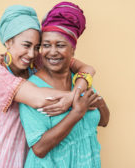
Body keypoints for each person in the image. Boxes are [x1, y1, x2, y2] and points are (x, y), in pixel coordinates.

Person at [0, 5, 97, 168]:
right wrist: (77, 99)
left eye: (37, 47)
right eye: (26, 45)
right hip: (7, 155)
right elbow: (39, 99)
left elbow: (87, 69)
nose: (31, 54)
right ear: (8, 41)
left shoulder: (36, 61)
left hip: (36, 159)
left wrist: (76, 92)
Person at [19, 2, 110, 167]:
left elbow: (103, 121)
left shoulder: (80, 81)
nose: (52, 52)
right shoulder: (33, 88)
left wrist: (98, 101)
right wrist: (76, 113)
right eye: (46, 45)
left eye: (60, 45)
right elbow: (39, 148)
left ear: (73, 50)